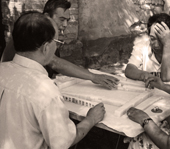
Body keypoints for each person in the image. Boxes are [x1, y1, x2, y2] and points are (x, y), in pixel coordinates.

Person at [0, 11, 106, 149]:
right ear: (45, 48)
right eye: (57, 42)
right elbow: (62, 142)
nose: (57, 46)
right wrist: (91, 119)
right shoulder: (45, 90)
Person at [1, 0, 119, 89]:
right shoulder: (32, 32)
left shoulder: (49, 35)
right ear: (47, 16)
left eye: (67, 20)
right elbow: (55, 62)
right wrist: (93, 77)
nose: (65, 25)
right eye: (61, 19)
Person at [125, 13, 170, 85]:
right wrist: (144, 75)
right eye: (152, 38)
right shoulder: (142, 46)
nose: (156, 44)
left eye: (161, 39)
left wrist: (167, 45)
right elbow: (129, 69)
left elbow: (166, 78)